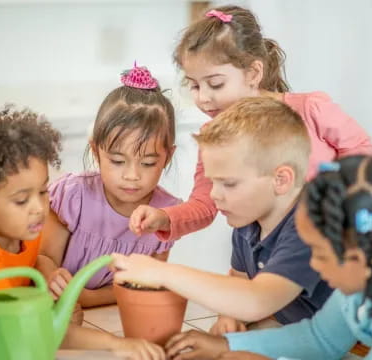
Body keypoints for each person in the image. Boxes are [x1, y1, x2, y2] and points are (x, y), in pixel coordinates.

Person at [129, 5, 372, 244]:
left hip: (328, 242)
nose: (203, 98)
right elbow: (205, 204)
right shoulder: (214, 136)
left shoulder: (310, 109)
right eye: (194, 85)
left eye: (215, 84)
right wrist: (163, 217)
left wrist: (334, 197)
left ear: (254, 73)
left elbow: (360, 149)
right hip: (268, 249)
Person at [164, 155, 372, 360]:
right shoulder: (368, 268)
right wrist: (226, 346)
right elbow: (320, 339)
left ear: (358, 254)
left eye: (318, 253)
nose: (314, 265)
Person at [112, 97, 332, 335]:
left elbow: (258, 299)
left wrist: (160, 272)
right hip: (300, 328)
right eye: (213, 181)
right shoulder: (247, 224)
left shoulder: (311, 223)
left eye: (228, 183)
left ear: (281, 180)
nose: (215, 195)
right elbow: (240, 283)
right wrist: (229, 317)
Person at [0, 107, 165, 358]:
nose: (39, 209)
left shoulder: (21, 232)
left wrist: (50, 282)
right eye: (22, 200)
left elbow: (29, 287)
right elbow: (36, 329)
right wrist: (116, 343)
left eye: (43, 192)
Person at [36, 64, 181, 308]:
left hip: (111, 314)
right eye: (117, 161)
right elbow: (43, 257)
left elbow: (146, 282)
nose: (132, 175)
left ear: (167, 157)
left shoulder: (167, 214)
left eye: (147, 163)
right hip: (54, 311)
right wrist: (51, 277)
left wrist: (88, 299)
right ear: (96, 151)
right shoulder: (74, 195)